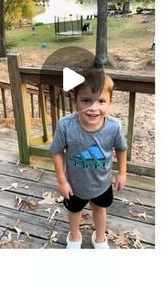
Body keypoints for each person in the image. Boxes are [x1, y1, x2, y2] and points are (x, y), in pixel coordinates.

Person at [50, 70, 127, 249]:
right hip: (74, 184)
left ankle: (100, 237)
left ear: (110, 103)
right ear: (75, 100)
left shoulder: (114, 127)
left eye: (101, 101)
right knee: (74, 210)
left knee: (100, 209)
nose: (93, 107)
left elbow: (121, 148)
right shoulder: (65, 125)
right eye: (86, 100)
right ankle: (75, 236)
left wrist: (122, 172)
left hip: (102, 183)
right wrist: (62, 181)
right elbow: (57, 152)